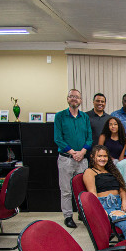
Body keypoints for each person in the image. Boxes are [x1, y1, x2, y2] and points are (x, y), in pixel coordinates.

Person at [53, 89, 92, 229]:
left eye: (77, 97)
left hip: (82, 159)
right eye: (71, 96)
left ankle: (82, 214)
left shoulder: (85, 117)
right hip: (66, 159)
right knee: (66, 190)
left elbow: (89, 138)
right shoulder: (60, 116)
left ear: (81, 100)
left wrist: (82, 152)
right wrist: (72, 152)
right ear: (67, 99)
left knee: (82, 189)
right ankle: (68, 216)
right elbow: (58, 138)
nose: (74, 99)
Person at [82, 145, 126, 238]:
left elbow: (122, 188)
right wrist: (101, 211)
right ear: (92, 156)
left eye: (105, 156)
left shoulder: (112, 170)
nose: (102, 159)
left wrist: (124, 201)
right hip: (105, 205)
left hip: (119, 202)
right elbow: (92, 194)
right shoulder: (89, 172)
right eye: (99, 156)